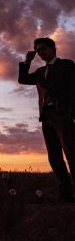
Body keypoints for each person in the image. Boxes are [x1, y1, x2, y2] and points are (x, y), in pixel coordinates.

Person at [18, 37, 75, 203]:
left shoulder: (67, 65)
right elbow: (22, 79)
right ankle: (66, 193)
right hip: (47, 116)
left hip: (63, 114)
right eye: (38, 50)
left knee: (72, 153)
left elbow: (73, 88)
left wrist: (71, 111)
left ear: (53, 48)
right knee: (54, 156)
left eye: (43, 48)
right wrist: (27, 61)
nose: (41, 52)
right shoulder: (40, 73)